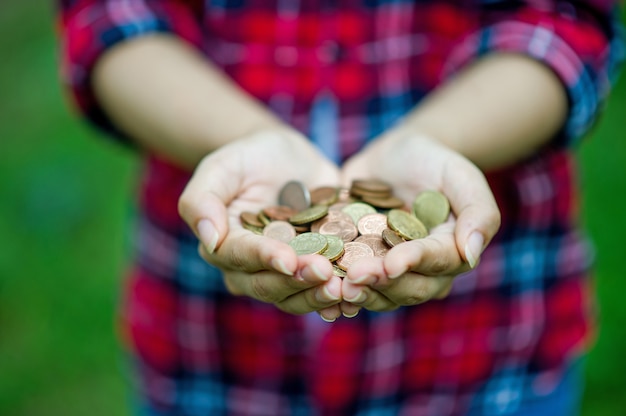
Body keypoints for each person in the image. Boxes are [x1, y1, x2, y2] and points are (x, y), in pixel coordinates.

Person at [58, 0, 622, 414]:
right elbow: (110, 15)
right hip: (213, 353)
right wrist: (240, 136)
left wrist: (442, 139)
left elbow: (566, 20)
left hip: (489, 350)